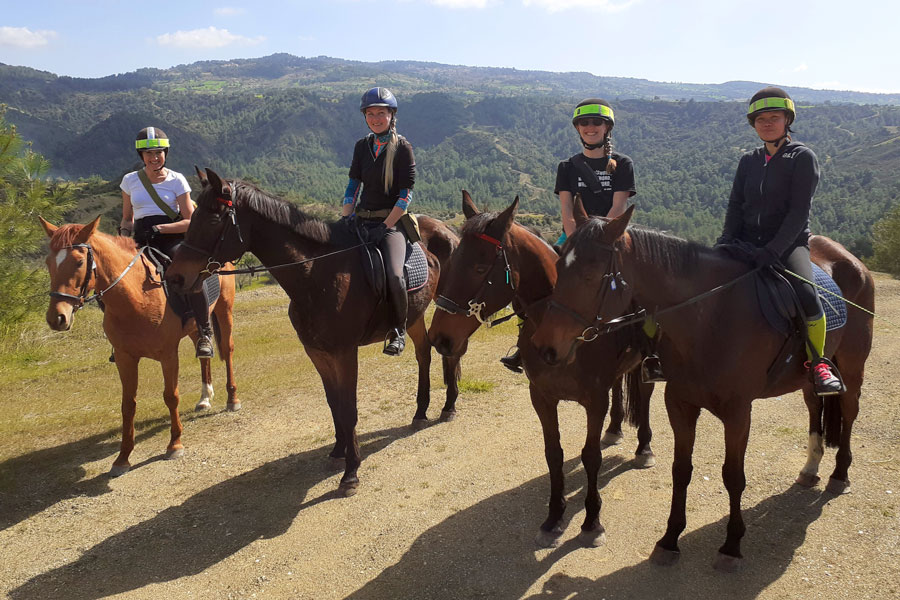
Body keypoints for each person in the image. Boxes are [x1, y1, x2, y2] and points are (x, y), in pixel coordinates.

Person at [499, 99, 663, 381]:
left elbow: (619, 207)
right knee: (539, 281)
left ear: (606, 128)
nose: (590, 128)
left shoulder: (623, 164)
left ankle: (650, 351)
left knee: (646, 290)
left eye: (596, 123)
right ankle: (525, 341)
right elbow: (566, 210)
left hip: (613, 235)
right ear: (577, 128)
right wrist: (579, 243)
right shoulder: (568, 167)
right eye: (584, 123)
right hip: (574, 236)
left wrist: (598, 240)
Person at [717, 86, 843, 395]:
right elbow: (736, 205)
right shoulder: (748, 161)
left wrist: (773, 250)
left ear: (787, 120)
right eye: (760, 119)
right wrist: (724, 241)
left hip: (787, 245)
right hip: (743, 241)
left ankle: (819, 364)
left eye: (774, 117)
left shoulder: (802, 157)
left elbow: (799, 212)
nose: (767, 123)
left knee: (806, 294)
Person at [119, 126, 214, 359]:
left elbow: (190, 221)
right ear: (141, 156)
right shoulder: (130, 181)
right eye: (149, 154)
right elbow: (127, 218)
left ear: (166, 154)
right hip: (140, 239)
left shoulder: (177, 180)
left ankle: (204, 332)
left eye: (158, 153)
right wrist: (122, 238)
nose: (154, 158)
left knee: (188, 276)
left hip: (170, 238)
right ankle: (119, 337)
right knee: (112, 277)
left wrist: (160, 228)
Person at [342, 87, 416, 356]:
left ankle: (398, 329)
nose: (375, 118)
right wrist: (346, 217)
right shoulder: (362, 147)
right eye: (370, 113)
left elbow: (405, 196)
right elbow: (352, 187)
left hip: (391, 224)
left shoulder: (403, 148)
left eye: (381, 113)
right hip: (361, 219)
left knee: (394, 275)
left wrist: (385, 227)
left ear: (391, 115)